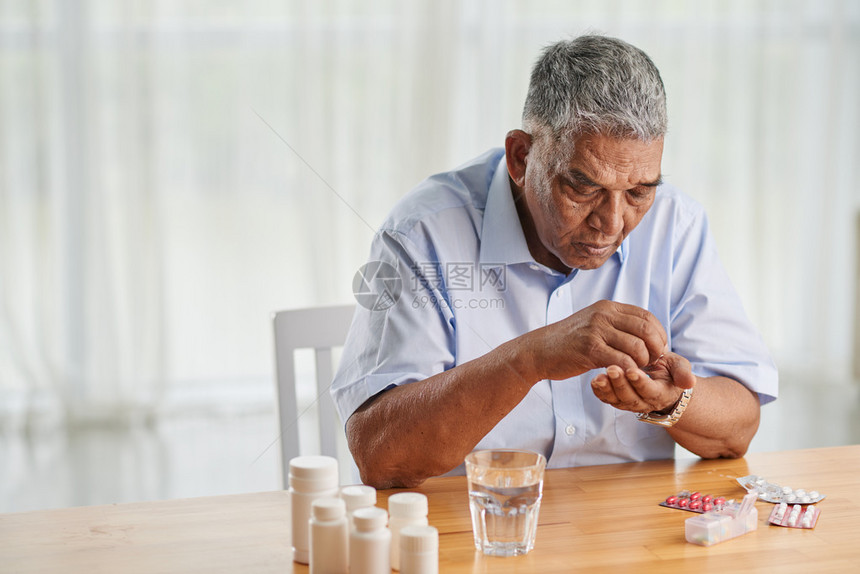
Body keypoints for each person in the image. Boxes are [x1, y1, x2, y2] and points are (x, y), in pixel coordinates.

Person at [331, 34, 778, 489]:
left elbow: (738, 429)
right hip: (475, 533)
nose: (611, 222)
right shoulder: (422, 233)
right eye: (584, 187)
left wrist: (672, 402)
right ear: (521, 157)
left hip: (631, 540)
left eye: (639, 191)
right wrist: (531, 358)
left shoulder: (676, 224)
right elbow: (379, 456)